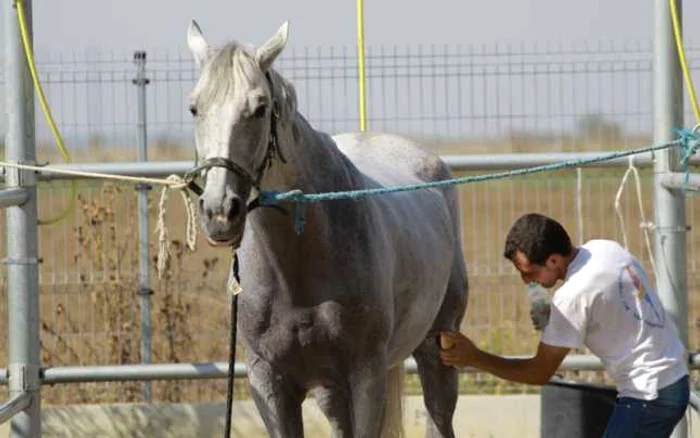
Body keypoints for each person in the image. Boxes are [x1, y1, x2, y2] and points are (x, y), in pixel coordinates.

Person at [439, 212, 689, 438]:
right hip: (671, 379)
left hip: (648, 396)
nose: (526, 281)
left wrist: (474, 357)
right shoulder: (604, 248)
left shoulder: (571, 298)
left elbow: (539, 372)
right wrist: (549, 310)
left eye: (528, 272)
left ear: (553, 261)